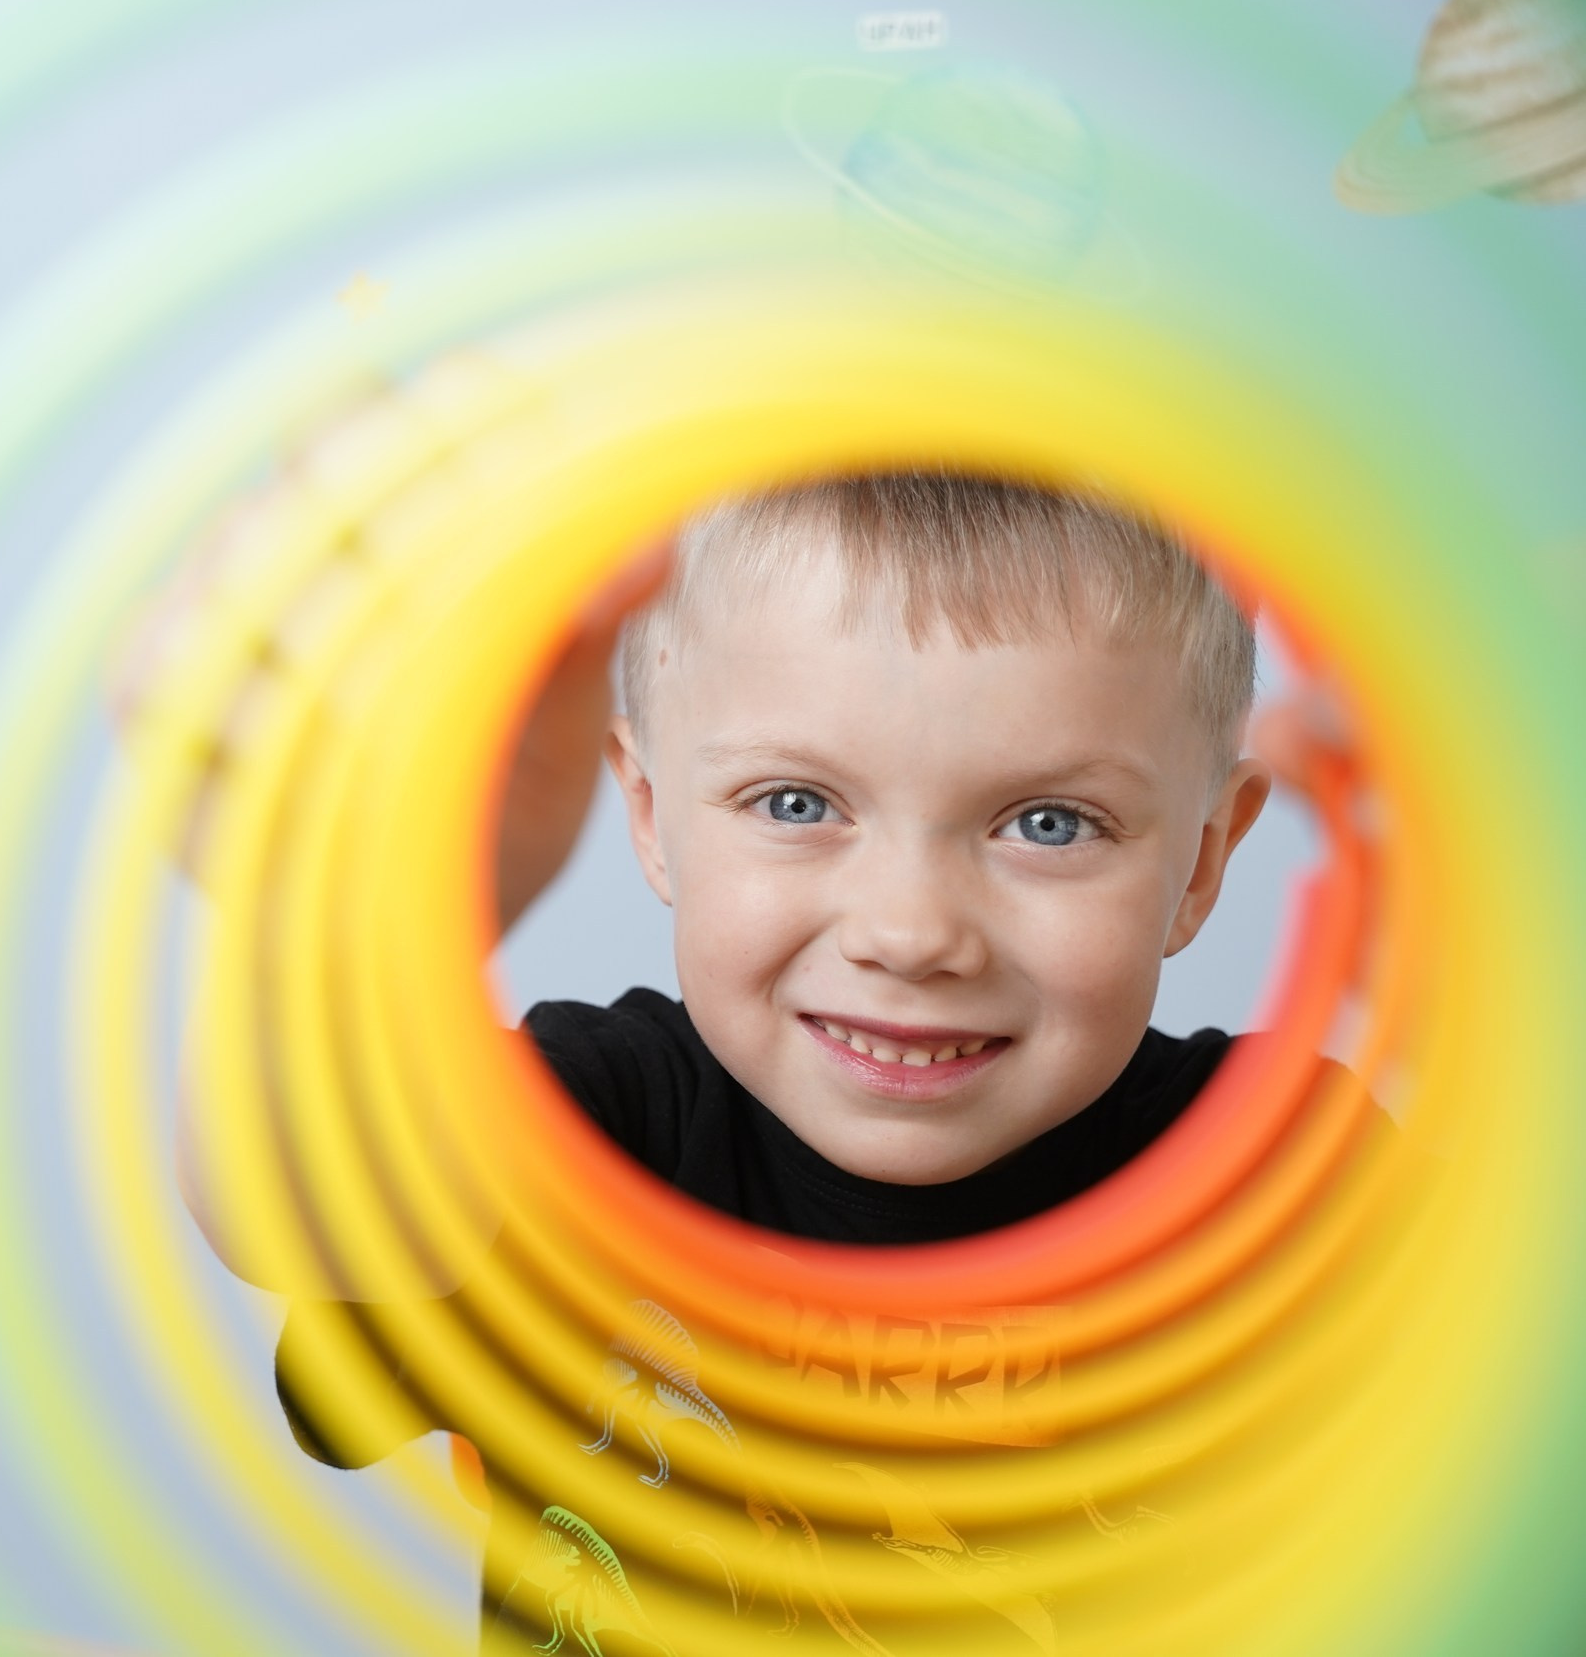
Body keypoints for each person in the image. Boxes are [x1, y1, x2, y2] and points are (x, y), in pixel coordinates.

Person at [170, 468, 1358, 1652]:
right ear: (650, 815)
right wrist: (365, 917)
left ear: (1204, 862)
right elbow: (290, 1201)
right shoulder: (595, 1121)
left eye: (1047, 823)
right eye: (795, 804)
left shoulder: (1286, 1177)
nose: (908, 932)